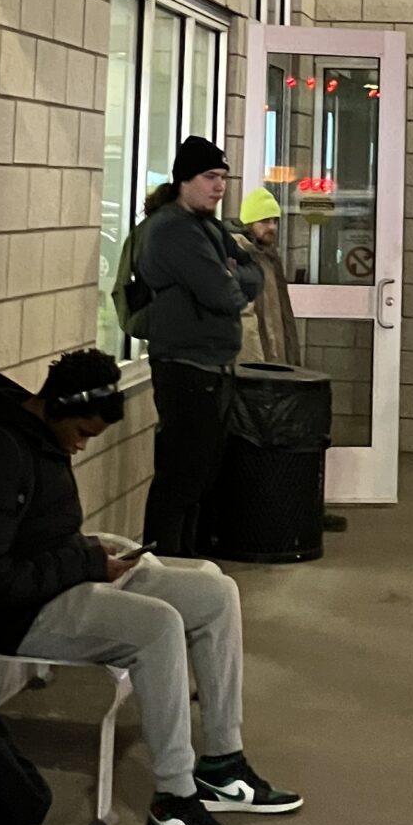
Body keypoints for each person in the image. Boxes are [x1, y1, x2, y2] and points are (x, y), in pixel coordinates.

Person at [0, 349, 301, 825]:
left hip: (66, 580)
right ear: (57, 408)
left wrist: (89, 553)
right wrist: (84, 562)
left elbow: (40, 537)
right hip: (19, 616)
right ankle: (174, 805)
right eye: (83, 432)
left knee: (215, 595)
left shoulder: (42, 436)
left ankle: (223, 764)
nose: (83, 444)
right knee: (157, 627)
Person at [135, 136, 264, 555]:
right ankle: (167, 567)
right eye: (210, 177)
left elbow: (253, 273)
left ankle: (188, 562)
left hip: (212, 368)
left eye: (223, 178)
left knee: (201, 478)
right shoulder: (173, 230)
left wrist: (235, 276)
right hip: (186, 369)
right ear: (184, 180)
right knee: (181, 478)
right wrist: (232, 279)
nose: (219, 186)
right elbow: (224, 295)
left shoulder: (208, 225)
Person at [238, 185, 301, 365]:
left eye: (275, 221)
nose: (272, 227)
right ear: (249, 223)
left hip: (272, 360)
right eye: (265, 221)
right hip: (258, 364)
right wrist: (255, 370)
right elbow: (245, 322)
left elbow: (282, 316)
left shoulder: (270, 258)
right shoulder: (240, 257)